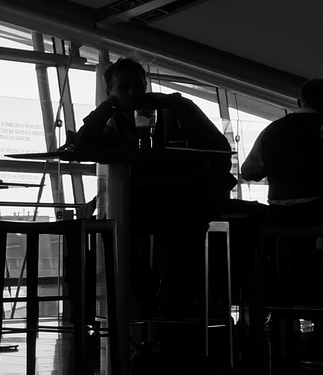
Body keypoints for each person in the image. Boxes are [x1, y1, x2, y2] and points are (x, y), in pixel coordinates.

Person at [66, 57, 235, 314]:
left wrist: (211, 188)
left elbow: (220, 149)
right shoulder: (111, 121)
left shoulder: (179, 109)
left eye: (138, 85)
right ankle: (148, 294)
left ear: (146, 84)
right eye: (124, 88)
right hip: (148, 198)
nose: (133, 93)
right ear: (109, 93)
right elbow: (83, 148)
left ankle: (175, 303)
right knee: (110, 220)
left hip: (187, 195)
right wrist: (105, 109)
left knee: (182, 219)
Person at [240, 78, 323, 227]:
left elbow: (248, 172)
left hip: (277, 216)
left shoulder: (271, 130)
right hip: (315, 213)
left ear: (299, 102)